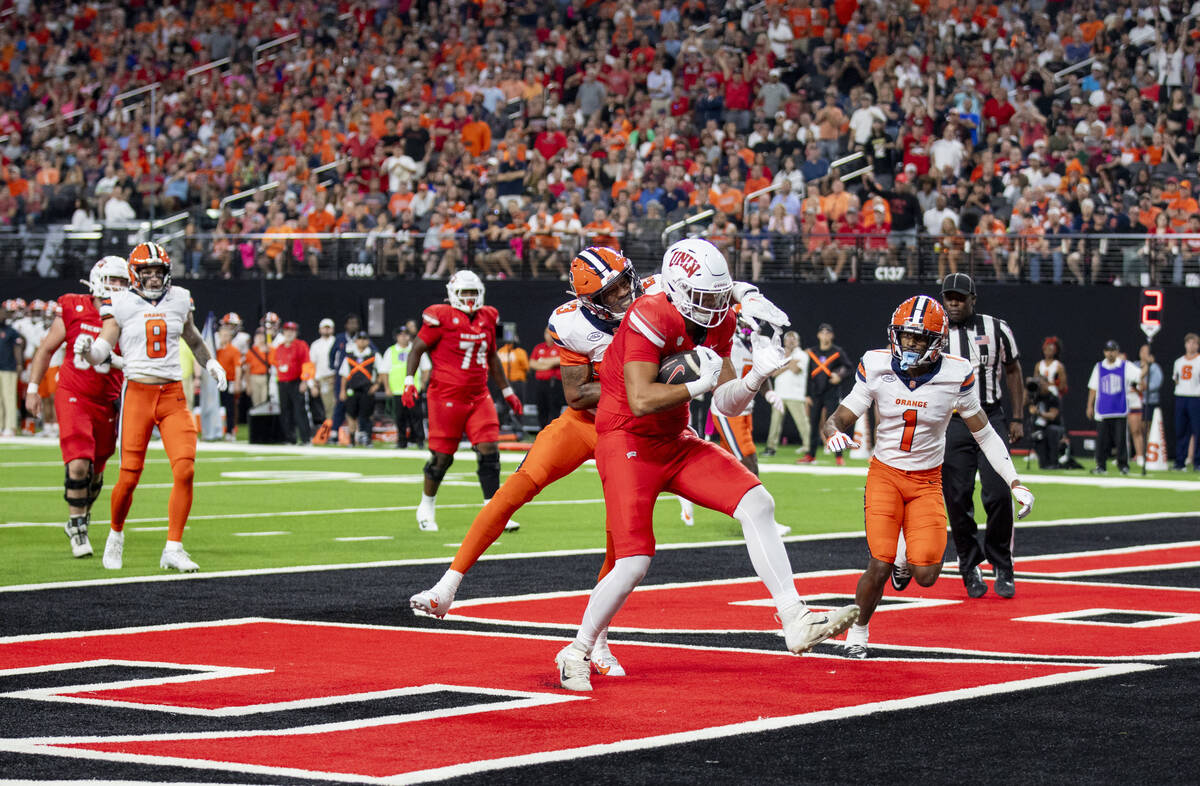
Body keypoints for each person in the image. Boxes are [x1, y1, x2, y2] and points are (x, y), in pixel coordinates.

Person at [410, 246, 790, 676]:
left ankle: (599, 643)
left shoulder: (654, 291)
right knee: (517, 488)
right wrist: (637, 382)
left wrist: (750, 294)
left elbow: (712, 286)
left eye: (626, 282)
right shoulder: (571, 323)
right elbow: (575, 393)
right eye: (610, 294)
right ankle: (449, 583)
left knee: (620, 537)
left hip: (635, 430)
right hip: (587, 422)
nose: (624, 295)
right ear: (590, 301)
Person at [552, 238, 858, 691]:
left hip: (676, 439)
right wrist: (700, 382)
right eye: (703, 298)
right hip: (626, 440)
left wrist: (755, 376)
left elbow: (728, 405)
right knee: (634, 561)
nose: (713, 308)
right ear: (676, 290)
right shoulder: (649, 313)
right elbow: (639, 399)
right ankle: (575, 649)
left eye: (718, 297)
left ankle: (794, 618)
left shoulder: (716, 314)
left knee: (757, 502)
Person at [822, 296, 1033, 660]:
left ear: (937, 341)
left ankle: (907, 558)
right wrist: (831, 433)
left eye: (919, 339)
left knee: (927, 575)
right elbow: (840, 416)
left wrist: (1014, 480)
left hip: (926, 482)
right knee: (880, 563)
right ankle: (858, 631)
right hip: (885, 475)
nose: (910, 344)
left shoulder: (956, 373)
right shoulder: (874, 365)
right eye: (905, 336)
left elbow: (983, 432)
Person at [75, 242, 227, 572]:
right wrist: (88, 352)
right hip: (139, 394)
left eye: (158, 272)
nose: (153, 278)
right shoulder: (121, 302)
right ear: (135, 274)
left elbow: (194, 339)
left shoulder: (179, 298)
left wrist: (211, 364)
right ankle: (115, 534)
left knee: (185, 468)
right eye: (147, 272)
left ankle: (173, 547)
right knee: (129, 477)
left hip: (173, 395)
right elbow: (103, 347)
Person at [401, 270, 524, 532]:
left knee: (490, 448)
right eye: (464, 293)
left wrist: (507, 392)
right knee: (442, 457)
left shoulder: (488, 316)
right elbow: (417, 349)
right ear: (452, 294)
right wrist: (409, 380)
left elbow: (492, 357)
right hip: (445, 396)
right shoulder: (440, 316)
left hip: (479, 395)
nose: (469, 298)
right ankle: (426, 504)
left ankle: (494, 512)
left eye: (473, 292)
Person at [23, 256, 129, 557]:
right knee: (79, 463)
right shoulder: (73, 305)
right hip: (73, 394)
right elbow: (46, 349)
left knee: (95, 473)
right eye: (112, 280)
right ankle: (77, 525)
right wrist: (33, 389)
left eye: (122, 281)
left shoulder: (128, 312)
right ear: (96, 279)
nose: (117, 286)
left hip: (107, 400)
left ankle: (80, 517)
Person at [938, 272, 1024, 598]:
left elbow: (1014, 369)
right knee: (957, 499)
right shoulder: (937, 330)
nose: (954, 303)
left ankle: (1002, 562)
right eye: (949, 297)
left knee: (998, 494)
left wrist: (1016, 417)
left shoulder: (997, 328)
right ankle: (969, 564)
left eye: (960, 297)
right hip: (953, 421)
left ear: (974, 299)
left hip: (990, 415)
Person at [797, 323, 851, 465]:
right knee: (813, 424)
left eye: (828, 333)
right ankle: (811, 455)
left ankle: (839, 456)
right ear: (818, 335)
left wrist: (839, 375)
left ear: (832, 336)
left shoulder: (837, 352)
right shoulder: (812, 352)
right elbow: (808, 374)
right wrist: (807, 394)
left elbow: (848, 368)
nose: (825, 335)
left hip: (831, 393)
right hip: (815, 393)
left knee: (833, 424)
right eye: (823, 333)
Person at [1085, 340, 1139, 475]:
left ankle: (1123, 465)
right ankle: (1101, 465)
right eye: (1108, 350)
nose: (1110, 353)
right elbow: (1093, 388)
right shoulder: (1099, 367)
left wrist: (1147, 364)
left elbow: (1139, 376)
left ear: (1117, 352)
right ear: (1104, 352)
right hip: (1103, 409)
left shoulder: (1125, 365)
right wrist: (1089, 406)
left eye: (1113, 350)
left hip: (1119, 409)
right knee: (1102, 440)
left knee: (1121, 440)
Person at [380, 326, 428, 449]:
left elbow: (426, 368)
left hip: (413, 389)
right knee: (400, 417)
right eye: (400, 335)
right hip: (397, 390)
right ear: (396, 337)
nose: (403, 337)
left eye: (406, 334)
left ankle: (419, 440)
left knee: (416, 416)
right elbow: (384, 371)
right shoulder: (391, 351)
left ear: (409, 336)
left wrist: (423, 383)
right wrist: (387, 388)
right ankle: (402, 441)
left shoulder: (415, 349)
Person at [764, 330, 809, 457]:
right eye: (788, 339)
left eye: (793, 339)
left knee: (802, 423)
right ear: (784, 341)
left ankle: (808, 447)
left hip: (795, 394)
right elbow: (772, 373)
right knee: (775, 423)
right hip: (779, 394)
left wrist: (784, 365)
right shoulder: (779, 354)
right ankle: (771, 447)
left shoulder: (802, 354)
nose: (790, 341)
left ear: (798, 341)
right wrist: (789, 362)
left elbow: (795, 369)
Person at [339, 331, 382, 446]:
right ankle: (352, 439)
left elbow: (382, 372)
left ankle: (368, 438)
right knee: (351, 414)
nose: (362, 341)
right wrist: (342, 390)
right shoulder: (349, 356)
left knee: (367, 414)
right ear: (356, 341)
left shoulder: (374, 355)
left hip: (367, 389)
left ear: (368, 341)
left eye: (364, 339)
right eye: (360, 339)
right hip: (352, 389)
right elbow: (344, 375)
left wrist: (376, 385)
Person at [273, 321, 312, 444]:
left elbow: (307, 363)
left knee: (299, 411)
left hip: (296, 382)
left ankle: (306, 438)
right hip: (283, 382)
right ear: (283, 332)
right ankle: (290, 438)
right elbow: (276, 363)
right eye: (287, 330)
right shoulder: (279, 347)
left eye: (292, 331)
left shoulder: (301, 345)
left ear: (295, 332)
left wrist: (304, 381)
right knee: (285, 411)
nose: (289, 333)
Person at [1172, 333, 1200, 471]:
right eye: (1189, 343)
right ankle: (1179, 462)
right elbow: (1176, 379)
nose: (1191, 345)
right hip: (1181, 397)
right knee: (1181, 430)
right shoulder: (1178, 362)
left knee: (1197, 430)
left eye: (1194, 343)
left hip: (1196, 397)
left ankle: (1197, 462)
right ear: (1185, 344)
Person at [1027, 376, 1068, 469]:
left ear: (1047, 384)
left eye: (1042, 384)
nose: (1040, 386)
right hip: (1040, 427)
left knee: (1051, 431)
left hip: (1054, 426)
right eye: (1039, 384)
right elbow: (1026, 404)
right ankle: (1044, 463)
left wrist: (1039, 413)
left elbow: (1052, 416)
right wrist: (1028, 387)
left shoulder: (1053, 397)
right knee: (1037, 433)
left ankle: (1054, 462)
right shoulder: (1035, 396)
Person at [529, 327, 564, 429]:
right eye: (547, 333)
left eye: (551, 334)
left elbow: (559, 360)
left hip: (555, 383)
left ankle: (552, 432)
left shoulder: (559, 347)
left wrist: (542, 362)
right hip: (541, 383)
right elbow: (532, 363)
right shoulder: (539, 347)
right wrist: (549, 363)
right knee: (541, 408)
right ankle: (542, 431)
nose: (549, 336)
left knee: (554, 409)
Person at [214, 321, 242, 441]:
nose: (224, 337)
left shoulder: (234, 350)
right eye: (222, 335)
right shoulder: (217, 351)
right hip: (218, 381)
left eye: (226, 335)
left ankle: (231, 431)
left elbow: (238, 367)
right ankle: (218, 430)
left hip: (229, 380)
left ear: (230, 337)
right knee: (218, 407)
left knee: (230, 407)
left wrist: (237, 382)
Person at [0, 302, 23, 436]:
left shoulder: (11, 331)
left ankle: (10, 426)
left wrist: (19, 364)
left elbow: (18, 348)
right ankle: (1, 425)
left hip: (8, 367)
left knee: (9, 398)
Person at [309, 318, 337, 424]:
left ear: (332, 329)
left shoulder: (336, 342)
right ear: (320, 330)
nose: (326, 330)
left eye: (328, 328)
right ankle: (329, 429)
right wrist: (312, 384)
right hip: (322, 379)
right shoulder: (315, 345)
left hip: (335, 378)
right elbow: (311, 365)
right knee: (327, 407)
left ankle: (334, 429)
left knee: (335, 405)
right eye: (324, 328)